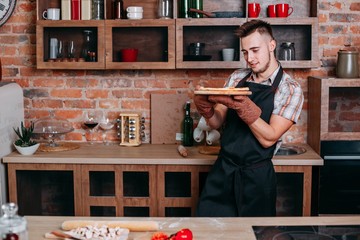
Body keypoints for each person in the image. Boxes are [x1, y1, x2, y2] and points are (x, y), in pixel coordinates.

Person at [194, 19, 304, 217]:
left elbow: (268, 137)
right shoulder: (237, 78)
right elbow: (217, 122)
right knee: (208, 231)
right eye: (245, 52)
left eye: (255, 50)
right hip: (223, 171)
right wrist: (206, 109)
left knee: (255, 235)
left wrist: (243, 107)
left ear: (272, 45)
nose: (250, 58)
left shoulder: (290, 89)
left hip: (257, 179)